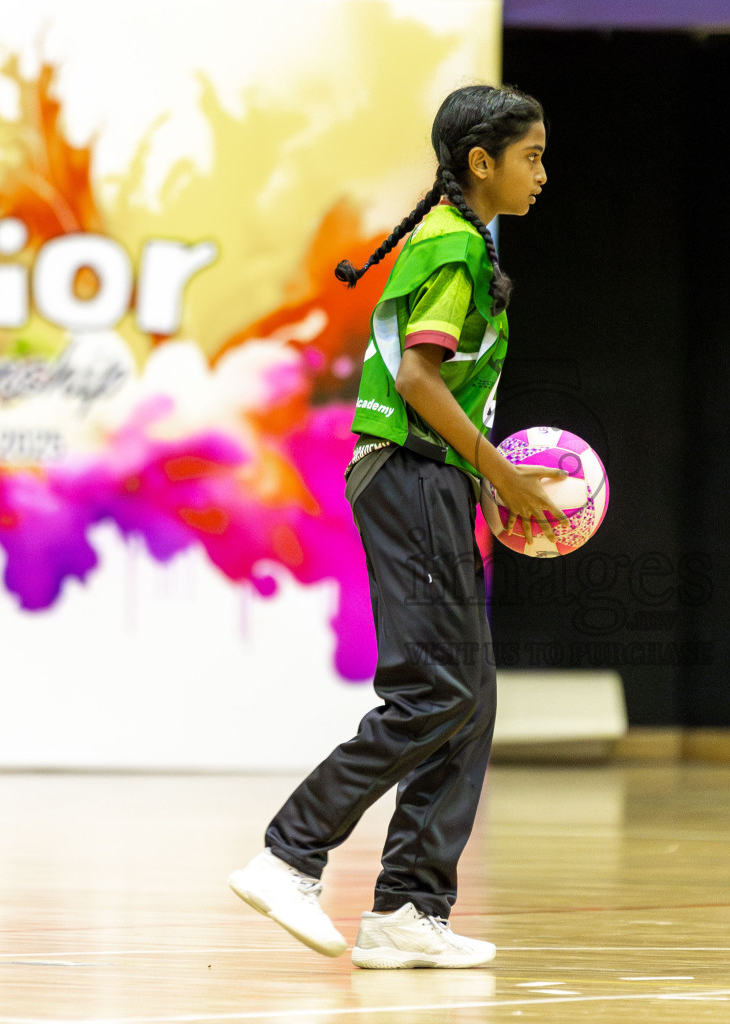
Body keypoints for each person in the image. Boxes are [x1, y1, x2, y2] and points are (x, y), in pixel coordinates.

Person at [227, 83, 568, 970]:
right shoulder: (453, 245)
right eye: (531, 156)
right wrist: (496, 470)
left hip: (434, 478)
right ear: (481, 163)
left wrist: (479, 477)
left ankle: (410, 908)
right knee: (434, 691)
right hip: (408, 473)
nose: (543, 172)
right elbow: (419, 381)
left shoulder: (464, 241)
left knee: (469, 698)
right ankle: (288, 854)